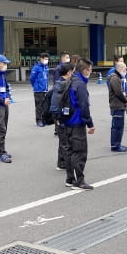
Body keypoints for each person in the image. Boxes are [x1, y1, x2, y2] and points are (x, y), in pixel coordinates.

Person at [64, 58, 96, 190]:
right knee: (80, 152)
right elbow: (84, 105)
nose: (91, 72)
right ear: (85, 70)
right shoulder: (80, 85)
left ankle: (70, 178)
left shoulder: (70, 80)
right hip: (77, 121)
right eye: (90, 70)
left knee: (70, 151)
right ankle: (79, 181)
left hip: (67, 121)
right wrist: (90, 123)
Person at [50, 63, 74, 172]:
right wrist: (58, 118)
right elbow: (55, 103)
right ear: (69, 72)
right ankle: (64, 163)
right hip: (61, 116)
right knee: (65, 141)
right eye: (72, 71)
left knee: (63, 140)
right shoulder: (61, 84)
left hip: (62, 115)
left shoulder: (63, 82)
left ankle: (61, 162)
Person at [107, 55, 127, 128]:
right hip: (117, 93)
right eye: (120, 61)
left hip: (124, 91)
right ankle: (115, 124)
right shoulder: (112, 71)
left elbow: (124, 81)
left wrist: (126, 92)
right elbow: (109, 83)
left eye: (123, 61)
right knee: (118, 108)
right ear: (116, 62)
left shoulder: (123, 70)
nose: (122, 62)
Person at [108, 62, 127, 152]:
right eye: (125, 69)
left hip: (118, 105)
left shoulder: (118, 78)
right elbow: (118, 92)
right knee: (117, 127)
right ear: (120, 69)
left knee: (118, 126)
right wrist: (126, 100)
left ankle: (117, 144)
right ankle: (115, 145)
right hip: (117, 105)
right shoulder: (115, 78)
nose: (126, 71)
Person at [30, 52, 50, 127]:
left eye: (47, 59)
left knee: (45, 105)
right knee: (39, 106)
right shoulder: (36, 67)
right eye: (45, 59)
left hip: (45, 89)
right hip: (38, 90)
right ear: (41, 59)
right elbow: (32, 78)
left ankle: (43, 119)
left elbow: (46, 78)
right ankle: (38, 120)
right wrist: (35, 86)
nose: (46, 60)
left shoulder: (46, 67)